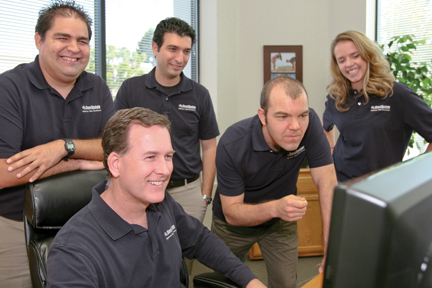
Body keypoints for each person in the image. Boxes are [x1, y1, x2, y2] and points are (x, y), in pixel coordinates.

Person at [46, 107, 266, 288]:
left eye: (168, 156)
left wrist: (249, 280)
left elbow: (200, 240)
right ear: (115, 164)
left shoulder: (160, 204)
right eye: (150, 157)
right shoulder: (72, 251)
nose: (164, 170)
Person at [0, 1, 115, 286]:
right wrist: (75, 162)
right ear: (39, 40)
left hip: (88, 222)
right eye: (62, 38)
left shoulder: (97, 87)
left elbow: (115, 151)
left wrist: (64, 147)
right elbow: (3, 173)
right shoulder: (10, 88)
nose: (74, 48)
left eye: (82, 41)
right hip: (19, 226)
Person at [212, 76, 337, 288]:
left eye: (302, 115)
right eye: (283, 116)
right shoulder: (232, 143)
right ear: (263, 116)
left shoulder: (310, 124)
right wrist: (276, 207)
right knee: (221, 283)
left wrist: (330, 249)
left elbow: (327, 182)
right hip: (233, 227)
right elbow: (231, 212)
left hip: (279, 225)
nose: (295, 126)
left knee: (285, 284)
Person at [114, 17, 218, 224]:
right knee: (140, 253)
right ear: (155, 48)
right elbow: (114, 144)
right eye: (173, 49)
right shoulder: (131, 89)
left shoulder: (200, 95)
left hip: (187, 192)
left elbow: (209, 147)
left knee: (184, 254)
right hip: (140, 190)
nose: (180, 58)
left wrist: (205, 195)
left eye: (186, 51)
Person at [323, 30, 432, 182]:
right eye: (341, 60)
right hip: (342, 186)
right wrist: (331, 153)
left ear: (368, 56)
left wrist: (417, 172)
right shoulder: (337, 96)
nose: (348, 64)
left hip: (384, 187)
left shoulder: (397, 94)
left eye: (355, 56)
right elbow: (325, 126)